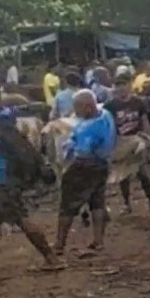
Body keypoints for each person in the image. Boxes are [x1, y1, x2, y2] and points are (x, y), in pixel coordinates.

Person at [0, 83, 61, 276]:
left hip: (4, 179)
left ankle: (52, 258)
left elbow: (20, 147)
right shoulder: (0, 119)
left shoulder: (0, 125)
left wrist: (38, 168)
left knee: (21, 219)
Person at [55, 89, 116, 258]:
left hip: (84, 166)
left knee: (67, 205)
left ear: (88, 107)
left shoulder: (89, 128)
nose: (76, 112)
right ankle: (98, 241)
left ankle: (59, 245)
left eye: (78, 108)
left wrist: (69, 147)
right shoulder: (105, 115)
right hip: (102, 164)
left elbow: (83, 151)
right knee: (97, 202)